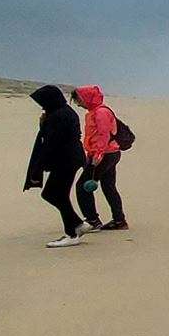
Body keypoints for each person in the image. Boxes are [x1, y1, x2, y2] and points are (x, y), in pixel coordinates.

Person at [23, 84, 87, 247]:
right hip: (71, 159)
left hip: (66, 161)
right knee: (57, 194)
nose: (42, 106)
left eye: (43, 102)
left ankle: (72, 234)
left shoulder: (58, 116)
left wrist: (39, 166)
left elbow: (51, 143)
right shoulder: (64, 111)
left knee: (53, 194)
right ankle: (78, 225)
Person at [71, 85, 128, 232]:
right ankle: (119, 220)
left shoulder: (101, 112)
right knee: (108, 186)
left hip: (105, 155)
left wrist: (98, 155)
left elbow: (104, 135)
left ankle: (92, 220)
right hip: (109, 153)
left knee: (82, 186)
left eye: (79, 100)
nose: (78, 104)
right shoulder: (95, 112)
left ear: (87, 98)